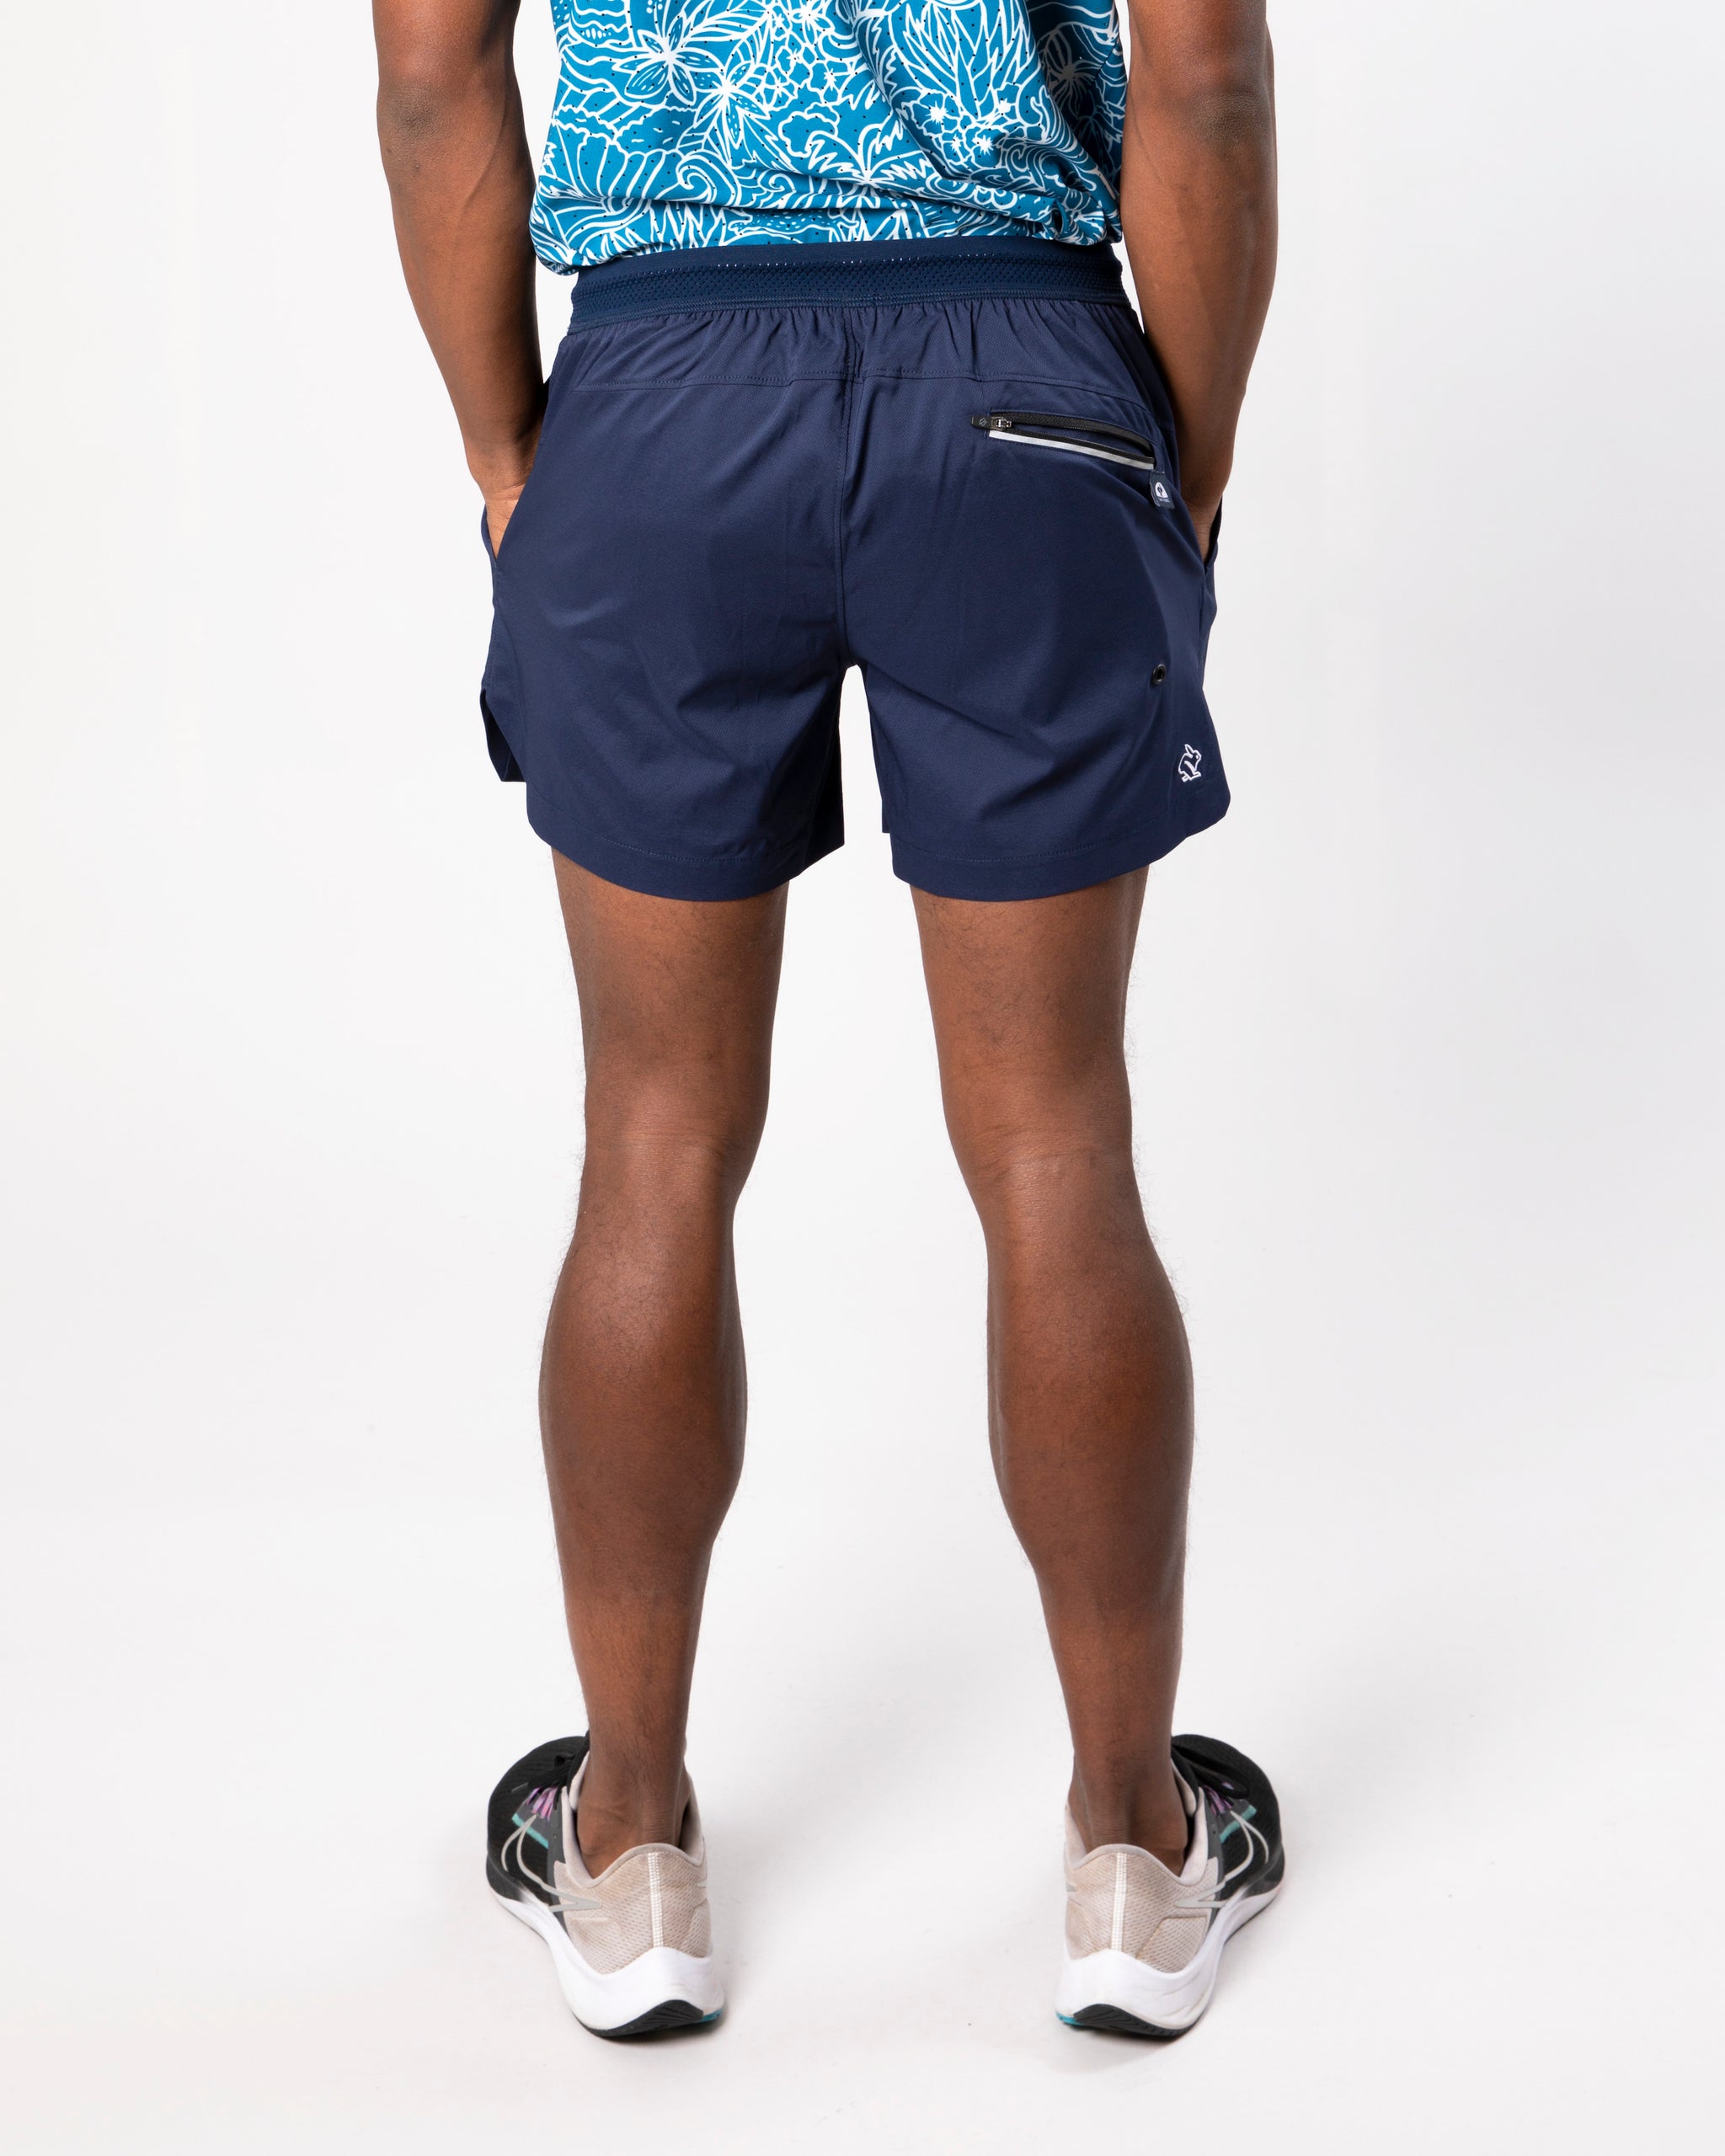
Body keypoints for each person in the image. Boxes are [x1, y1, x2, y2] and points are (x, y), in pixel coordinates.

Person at [375, 0, 1281, 2040]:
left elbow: (432, 75)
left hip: (662, 399)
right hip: (1022, 389)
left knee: (654, 1135)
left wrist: (512, 461)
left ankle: (627, 1849)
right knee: (1054, 1137)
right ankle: (1133, 1850)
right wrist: (1192, 471)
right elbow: (1207, 71)